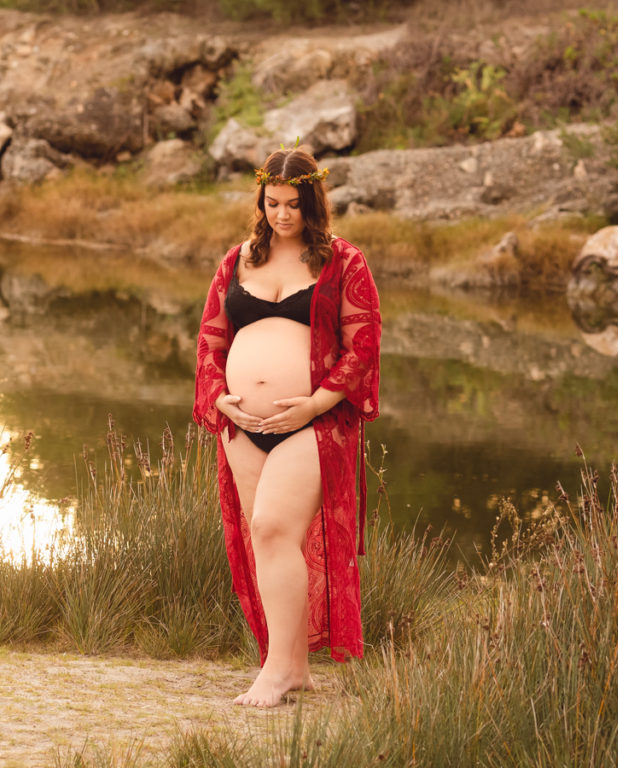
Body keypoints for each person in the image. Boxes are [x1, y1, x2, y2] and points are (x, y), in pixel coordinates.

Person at [193, 147, 381, 707]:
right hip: (242, 422)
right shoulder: (238, 260)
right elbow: (211, 338)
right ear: (260, 200)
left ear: (313, 202)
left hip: (312, 421)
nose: (281, 215)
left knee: (274, 527)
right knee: (270, 540)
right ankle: (294, 667)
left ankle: (273, 671)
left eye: (293, 204)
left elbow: (364, 342)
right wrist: (219, 400)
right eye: (272, 203)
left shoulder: (343, 261)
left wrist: (315, 404)